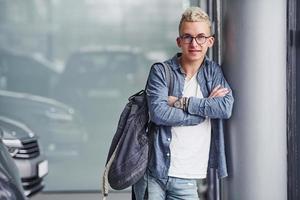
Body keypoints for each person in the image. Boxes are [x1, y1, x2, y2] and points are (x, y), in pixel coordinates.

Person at [134, 6, 234, 200]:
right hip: (153, 171)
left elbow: (225, 107)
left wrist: (183, 102)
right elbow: (159, 113)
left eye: (200, 37)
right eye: (187, 37)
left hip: (188, 176)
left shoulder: (213, 73)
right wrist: (204, 109)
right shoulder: (161, 72)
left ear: (210, 41)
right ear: (179, 41)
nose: (194, 43)